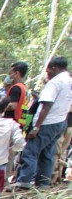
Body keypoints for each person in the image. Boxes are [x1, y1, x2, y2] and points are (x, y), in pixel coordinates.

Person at [16, 56, 72, 190]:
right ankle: (43, 183)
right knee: (47, 153)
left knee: (30, 151)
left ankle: (24, 182)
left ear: (54, 68)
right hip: (60, 121)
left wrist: (37, 126)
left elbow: (46, 105)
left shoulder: (55, 83)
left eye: (48, 72)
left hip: (47, 122)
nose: (48, 75)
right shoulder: (69, 80)